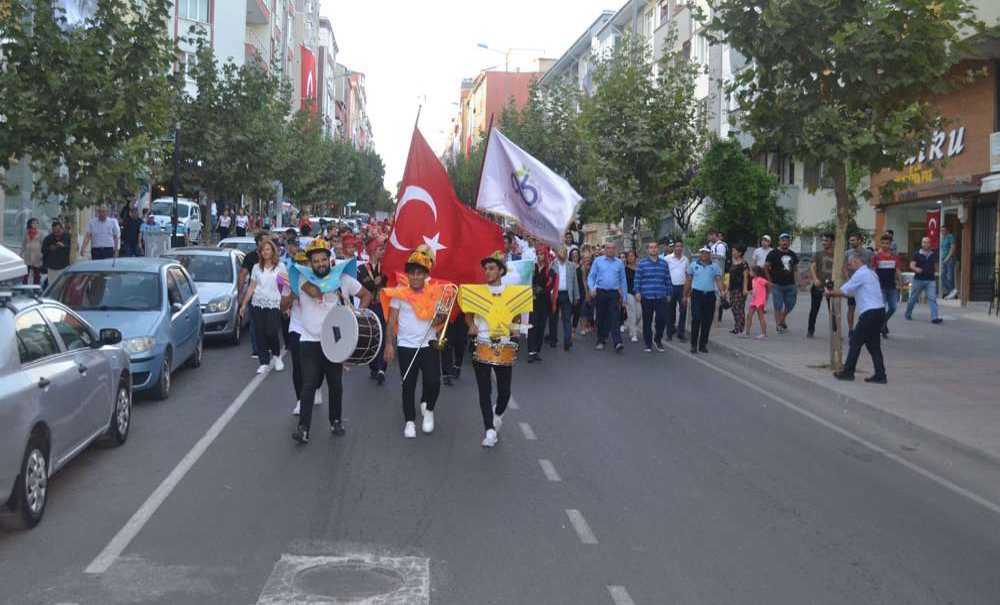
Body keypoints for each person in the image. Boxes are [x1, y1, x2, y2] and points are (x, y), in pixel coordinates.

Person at [288, 240, 372, 443]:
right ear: (310, 263)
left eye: (324, 259)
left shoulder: (344, 279)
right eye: (315, 261)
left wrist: (357, 315)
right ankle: (303, 429)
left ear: (330, 259)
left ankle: (335, 421)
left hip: (334, 342)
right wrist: (332, 287)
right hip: (309, 340)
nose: (320, 264)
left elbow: (366, 294)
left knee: (335, 384)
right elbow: (316, 292)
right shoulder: (302, 279)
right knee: (309, 384)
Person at [382, 245, 449, 439]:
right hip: (406, 346)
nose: (416, 277)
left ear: (426, 275)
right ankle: (410, 421)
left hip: (428, 345)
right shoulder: (399, 292)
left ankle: (428, 410)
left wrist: (440, 318)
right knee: (407, 385)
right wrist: (389, 344)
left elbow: (441, 318)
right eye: (412, 273)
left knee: (433, 382)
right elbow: (391, 320)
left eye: (420, 273)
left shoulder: (436, 292)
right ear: (408, 275)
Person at [465, 251, 520, 448]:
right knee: (484, 390)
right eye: (486, 269)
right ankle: (489, 430)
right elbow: (468, 315)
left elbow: (516, 317)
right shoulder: (477, 292)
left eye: (491, 268)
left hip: (504, 344)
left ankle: (496, 415)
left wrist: (515, 328)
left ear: (501, 271)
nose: (487, 272)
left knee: (505, 391)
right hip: (482, 342)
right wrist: (471, 324)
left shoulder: (512, 292)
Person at [825, 255, 887, 384]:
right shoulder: (871, 273)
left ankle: (848, 372)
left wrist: (830, 293)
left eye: (850, 263)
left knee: (855, 342)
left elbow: (845, 290)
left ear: (856, 261)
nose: (849, 266)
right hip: (880, 311)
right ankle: (880, 375)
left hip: (869, 312)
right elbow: (853, 292)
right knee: (874, 346)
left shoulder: (860, 274)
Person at [239, 238, 288, 374]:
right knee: (259, 333)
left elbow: (284, 288)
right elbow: (252, 287)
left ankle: (277, 356)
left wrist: (286, 305)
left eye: (268, 249)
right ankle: (264, 362)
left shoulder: (280, 267)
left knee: (271, 331)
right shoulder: (256, 267)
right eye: (263, 250)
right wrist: (243, 304)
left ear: (273, 251)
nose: (265, 252)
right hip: (257, 303)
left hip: (274, 303)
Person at [587, 241, 627, 353]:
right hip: (600, 292)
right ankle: (601, 339)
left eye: (612, 248)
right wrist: (591, 288)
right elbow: (591, 277)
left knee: (615, 317)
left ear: (615, 250)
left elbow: (623, 281)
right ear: (604, 249)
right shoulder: (598, 261)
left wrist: (624, 298)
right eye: (608, 248)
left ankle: (617, 342)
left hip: (614, 293)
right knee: (601, 317)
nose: (610, 250)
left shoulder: (619, 263)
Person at [358, 239, 388, 385]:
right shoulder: (362, 269)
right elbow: (362, 287)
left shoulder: (386, 269)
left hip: (383, 306)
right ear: (371, 251)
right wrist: (373, 283)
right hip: (369, 306)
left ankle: (382, 368)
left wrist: (382, 280)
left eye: (383, 249)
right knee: (372, 337)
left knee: (383, 334)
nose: (382, 252)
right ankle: (373, 366)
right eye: (379, 249)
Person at [684, 246, 726, 353]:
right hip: (697, 295)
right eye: (702, 253)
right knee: (696, 318)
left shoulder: (715, 266)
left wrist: (722, 292)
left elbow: (718, 280)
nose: (704, 255)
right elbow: (688, 280)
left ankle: (703, 344)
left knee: (707, 321)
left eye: (706, 253)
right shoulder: (694, 265)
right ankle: (693, 344)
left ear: (710, 254)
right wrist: (684, 295)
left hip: (709, 295)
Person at [634, 241, 672, 352]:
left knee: (661, 319)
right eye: (651, 247)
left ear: (658, 249)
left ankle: (658, 339)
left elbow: (668, 279)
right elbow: (637, 279)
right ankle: (648, 343)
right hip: (647, 296)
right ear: (647, 250)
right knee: (647, 321)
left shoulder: (664, 263)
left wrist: (669, 293)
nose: (653, 249)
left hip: (661, 295)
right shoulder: (642, 264)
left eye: (655, 247)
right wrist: (637, 292)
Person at [764, 233, 798, 334]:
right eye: (783, 240)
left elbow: (795, 269)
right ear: (779, 242)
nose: (785, 242)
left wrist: (798, 282)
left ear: (789, 242)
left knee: (791, 304)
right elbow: (766, 267)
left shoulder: (792, 254)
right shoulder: (773, 253)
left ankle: (782, 319)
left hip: (790, 284)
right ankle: (778, 325)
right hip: (777, 284)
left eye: (787, 240)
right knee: (778, 305)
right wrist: (769, 281)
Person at [548, 246, 579, 351]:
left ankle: (567, 340)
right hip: (555, 294)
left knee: (567, 319)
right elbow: (549, 280)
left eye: (564, 252)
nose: (562, 254)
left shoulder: (571, 266)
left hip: (567, 295)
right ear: (557, 253)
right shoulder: (552, 265)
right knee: (553, 318)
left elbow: (575, 282)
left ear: (566, 254)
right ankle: (553, 339)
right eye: (560, 252)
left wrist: (576, 296)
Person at [872, 234, 903, 337]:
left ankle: (882, 323)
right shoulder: (876, 256)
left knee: (893, 307)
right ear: (880, 243)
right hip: (880, 286)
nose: (885, 245)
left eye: (887, 243)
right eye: (883, 243)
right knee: (882, 308)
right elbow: (873, 271)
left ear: (890, 244)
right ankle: (883, 326)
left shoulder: (894, 256)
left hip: (892, 286)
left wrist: (901, 282)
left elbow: (898, 270)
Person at [905, 236, 942, 324]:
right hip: (919, 279)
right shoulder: (917, 254)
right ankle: (908, 313)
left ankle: (934, 317)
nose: (926, 244)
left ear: (930, 244)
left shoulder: (933, 254)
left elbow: (936, 266)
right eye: (924, 242)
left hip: (930, 280)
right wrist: (916, 269)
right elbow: (912, 265)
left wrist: (937, 273)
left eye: (927, 242)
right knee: (913, 298)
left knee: (932, 298)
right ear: (921, 244)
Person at [527, 245, 554, 362]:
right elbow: (526, 281)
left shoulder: (550, 270)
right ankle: (531, 351)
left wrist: (541, 289)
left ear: (546, 255)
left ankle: (537, 350)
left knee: (541, 326)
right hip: (532, 300)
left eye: (541, 254)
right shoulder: (532, 268)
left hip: (544, 301)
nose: (539, 256)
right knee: (532, 325)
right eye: (538, 254)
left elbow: (550, 286)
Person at [843, 234, 874, 332]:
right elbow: (844, 268)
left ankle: (862, 329)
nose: (851, 242)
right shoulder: (847, 253)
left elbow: (872, 267)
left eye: (853, 240)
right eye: (850, 240)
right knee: (851, 307)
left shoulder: (868, 253)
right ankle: (850, 330)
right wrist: (848, 279)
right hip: (853, 284)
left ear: (860, 241)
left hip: (865, 286)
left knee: (865, 308)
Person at [807, 233, 835, 338]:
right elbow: (812, 267)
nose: (824, 243)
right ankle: (810, 330)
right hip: (818, 285)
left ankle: (835, 331)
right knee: (814, 309)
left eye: (826, 240)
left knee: (833, 310)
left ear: (832, 242)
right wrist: (815, 279)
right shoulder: (818, 254)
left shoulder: (836, 254)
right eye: (823, 240)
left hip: (831, 286)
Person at [665, 241, 689, 342]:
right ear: (673, 248)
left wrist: (688, 291)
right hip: (671, 287)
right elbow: (664, 274)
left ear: (682, 248)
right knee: (670, 311)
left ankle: (681, 333)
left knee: (683, 310)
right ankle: (669, 333)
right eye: (676, 246)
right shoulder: (667, 259)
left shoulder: (686, 259)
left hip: (682, 288)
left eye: (680, 246)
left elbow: (688, 275)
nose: (678, 248)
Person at [41, 220, 71, 287]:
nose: (56, 233)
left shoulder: (68, 237)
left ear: (61, 229)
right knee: (52, 285)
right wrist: (50, 249)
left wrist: (64, 246)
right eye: (54, 231)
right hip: (52, 267)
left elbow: (74, 249)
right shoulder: (48, 238)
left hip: (64, 266)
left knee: (63, 285)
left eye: (58, 231)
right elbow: (43, 250)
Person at [728, 245, 750, 336]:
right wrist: (727, 289)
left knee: (739, 308)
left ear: (740, 253)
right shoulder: (733, 263)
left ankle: (740, 328)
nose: (733, 253)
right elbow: (730, 277)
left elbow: (746, 277)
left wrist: (745, 288)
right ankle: (737, 326)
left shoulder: (744, 263)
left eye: (734, 251)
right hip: (732, 288)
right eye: (732, 251)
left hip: (740, 289)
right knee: (733, 308)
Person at [744, 265, 770, 339]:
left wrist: (766, 294)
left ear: (755, 272)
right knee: (749, 315)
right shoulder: (753, 280)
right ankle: (747, 332)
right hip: (754, 300)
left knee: (760, 316)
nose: (750, 272)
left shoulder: (760, 279)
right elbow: (755, 289)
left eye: (751, 271)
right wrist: (749, 292)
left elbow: (768, 284)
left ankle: (764, 334)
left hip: (760, 301)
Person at [622, 250, 641, 343]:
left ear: (635, 257)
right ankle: (634, 334)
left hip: (639, 294)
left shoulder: (640, 269)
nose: (631, 257)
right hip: (628, 293)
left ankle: (631, 325)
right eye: (629, 256)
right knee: (632, 312)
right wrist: (623, 297)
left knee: (639, 314)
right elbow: (622, 283)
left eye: (632, 256)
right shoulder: (624, 269)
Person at [20, 218, 44, 285]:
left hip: (37, 255)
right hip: (27, 255)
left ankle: (36, 288)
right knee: (25, 273)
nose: (35, 224)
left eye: (36, 223)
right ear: (30, 224)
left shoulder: (41, 233)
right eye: (33, 223)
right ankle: (24, 287)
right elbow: (23, 244)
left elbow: (43, 244)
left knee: (37, 274)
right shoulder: (26, 232)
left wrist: (42, 254)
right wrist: (21, 253)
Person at [940, 225, 957, 299]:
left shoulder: (950, 236)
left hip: (950, 259)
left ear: (947, 230)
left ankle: (952, 293)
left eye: (943, 230)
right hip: (944, 260)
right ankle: (951, 292)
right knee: (943, 276)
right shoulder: (943, 239)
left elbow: (953, 248)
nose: (942, 232)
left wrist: (947, 258)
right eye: (941, 231)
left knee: (950, 277)